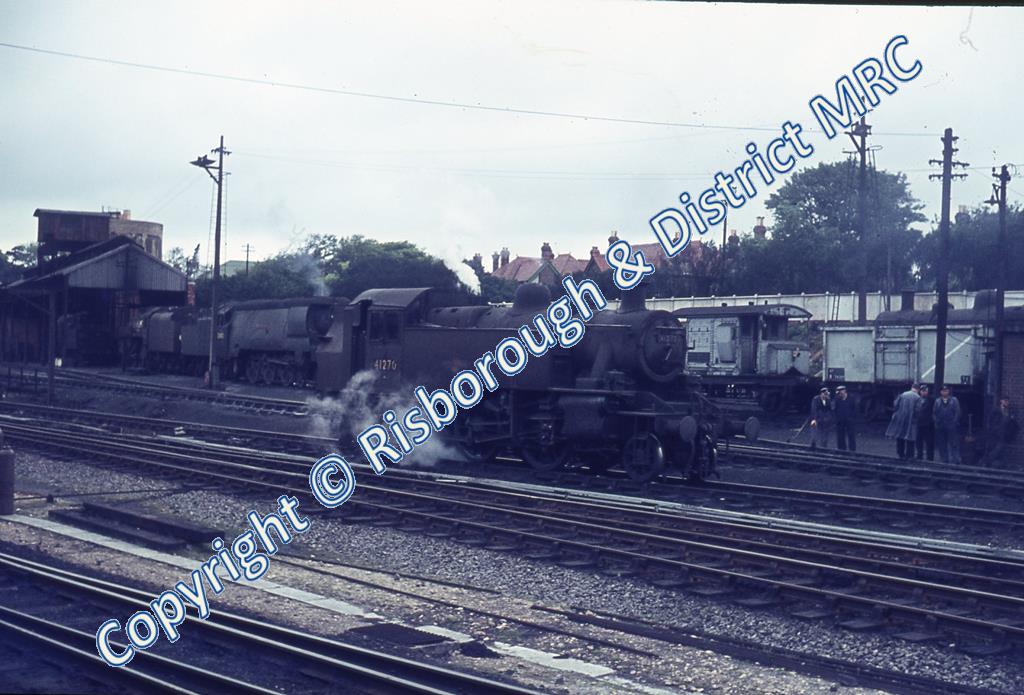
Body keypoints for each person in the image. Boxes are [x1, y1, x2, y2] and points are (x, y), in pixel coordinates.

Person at [979, 397, 1019, 467]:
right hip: (995, 435)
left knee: (1000, 449)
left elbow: (1012, 424)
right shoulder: (996, 410)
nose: (1007, 402)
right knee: (995, 449)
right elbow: (990, 421)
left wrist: (1012, 420)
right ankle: (986, 462)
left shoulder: (1009, 412)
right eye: (1005, 401)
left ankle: (988, 463)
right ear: (1001, 401)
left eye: (1008, 401)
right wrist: (992, 430)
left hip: (1004, 435)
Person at [885, 383, 920, 459]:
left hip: (900, 418)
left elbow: (895, 405)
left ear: (912, 387)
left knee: (900, 435)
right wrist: (916, 418)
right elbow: (917, 410)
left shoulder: (903, 394)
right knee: (911, 437)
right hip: (911, 419)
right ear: (918, 389)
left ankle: (900, 453)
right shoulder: (917, 397)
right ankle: (909, 455)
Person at [933, 385, 962, 464]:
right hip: (941, 425)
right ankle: (944, 460)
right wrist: (936, 421)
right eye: (943, 391)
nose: (944, 392)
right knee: (942, 443)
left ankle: (956, 459)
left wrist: (954, 422)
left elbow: (957, 412)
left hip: (951, 425)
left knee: (954, 443)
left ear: (948, 391)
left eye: (946, 390)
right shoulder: (937, 401)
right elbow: (934, 413)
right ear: (940, 392)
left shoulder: (954, 400)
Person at [915, 384, 935, 462]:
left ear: (928, 391)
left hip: (928, 424)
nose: (924, 392)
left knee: (929, 441)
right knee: (918, 440)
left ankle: (930, 457)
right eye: (922, 391)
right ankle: (919, 455)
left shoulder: (932, 400)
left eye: (925, 391)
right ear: (920, 391)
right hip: (919, 423)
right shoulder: (917, 400)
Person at [833, 385, 857, 451]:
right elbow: (835, 409)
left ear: (844, 391)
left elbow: (854, 409)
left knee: (851, 435)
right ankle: (841, 449)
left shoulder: (851, 399)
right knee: (840, 435)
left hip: (849, 420)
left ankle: (852, 449)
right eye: (838, 393)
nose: (839, 394)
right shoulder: (837, 399)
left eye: (840, 392)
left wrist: (852, 418)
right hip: (840, 420)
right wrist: (837, 418)